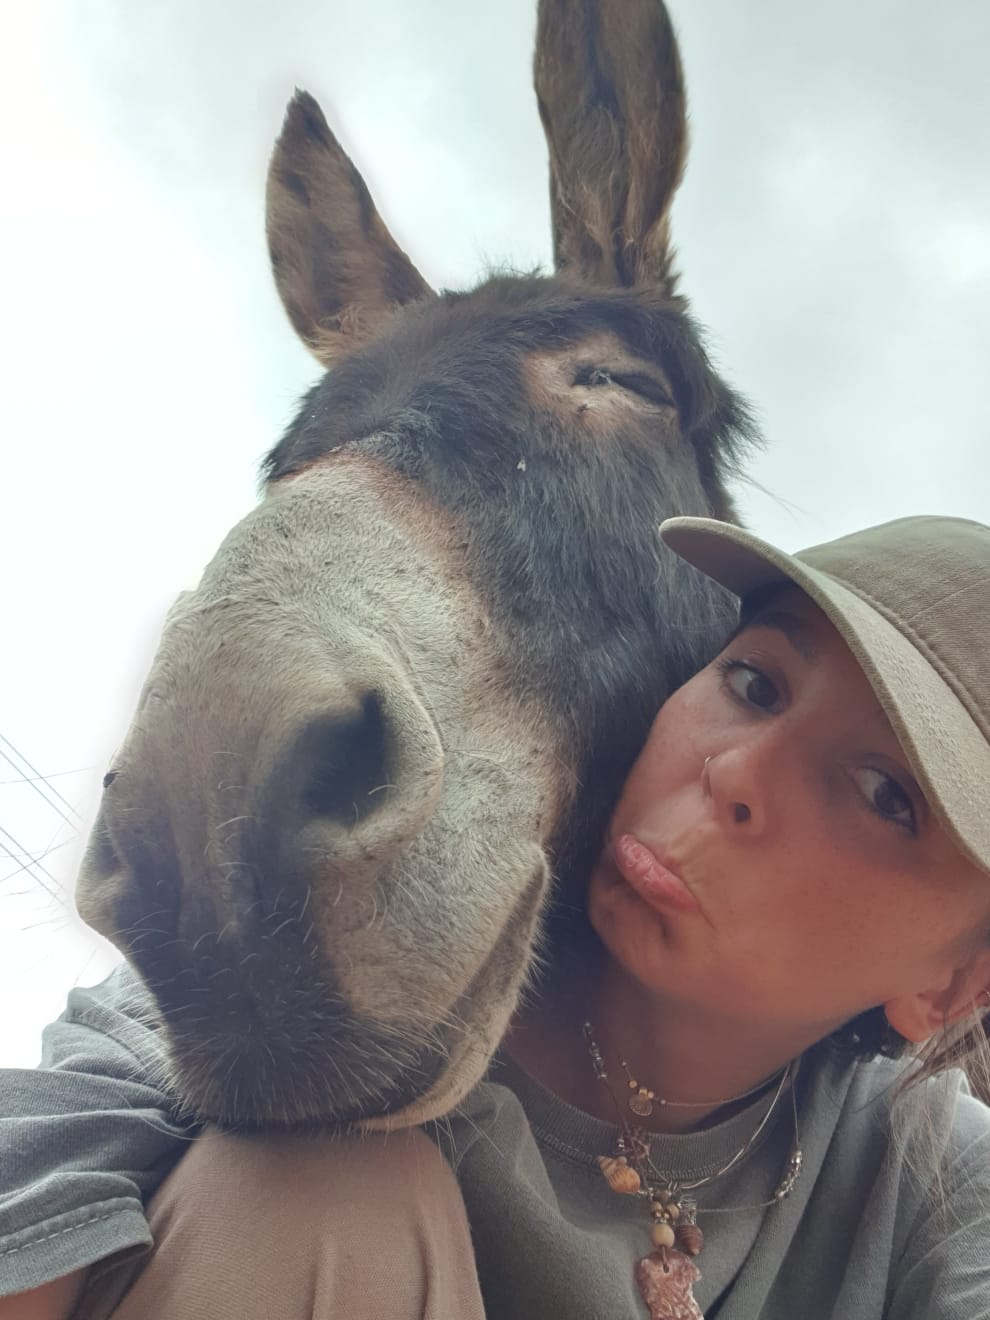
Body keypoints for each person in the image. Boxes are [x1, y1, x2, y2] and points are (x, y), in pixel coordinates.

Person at [2, 513, 989, 1320]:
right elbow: (76, 1113)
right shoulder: (407, 926)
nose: (738, 772)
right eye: (754, 682)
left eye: (884, 794)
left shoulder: (933, 1186)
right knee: (321, 1201)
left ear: (951, 983)